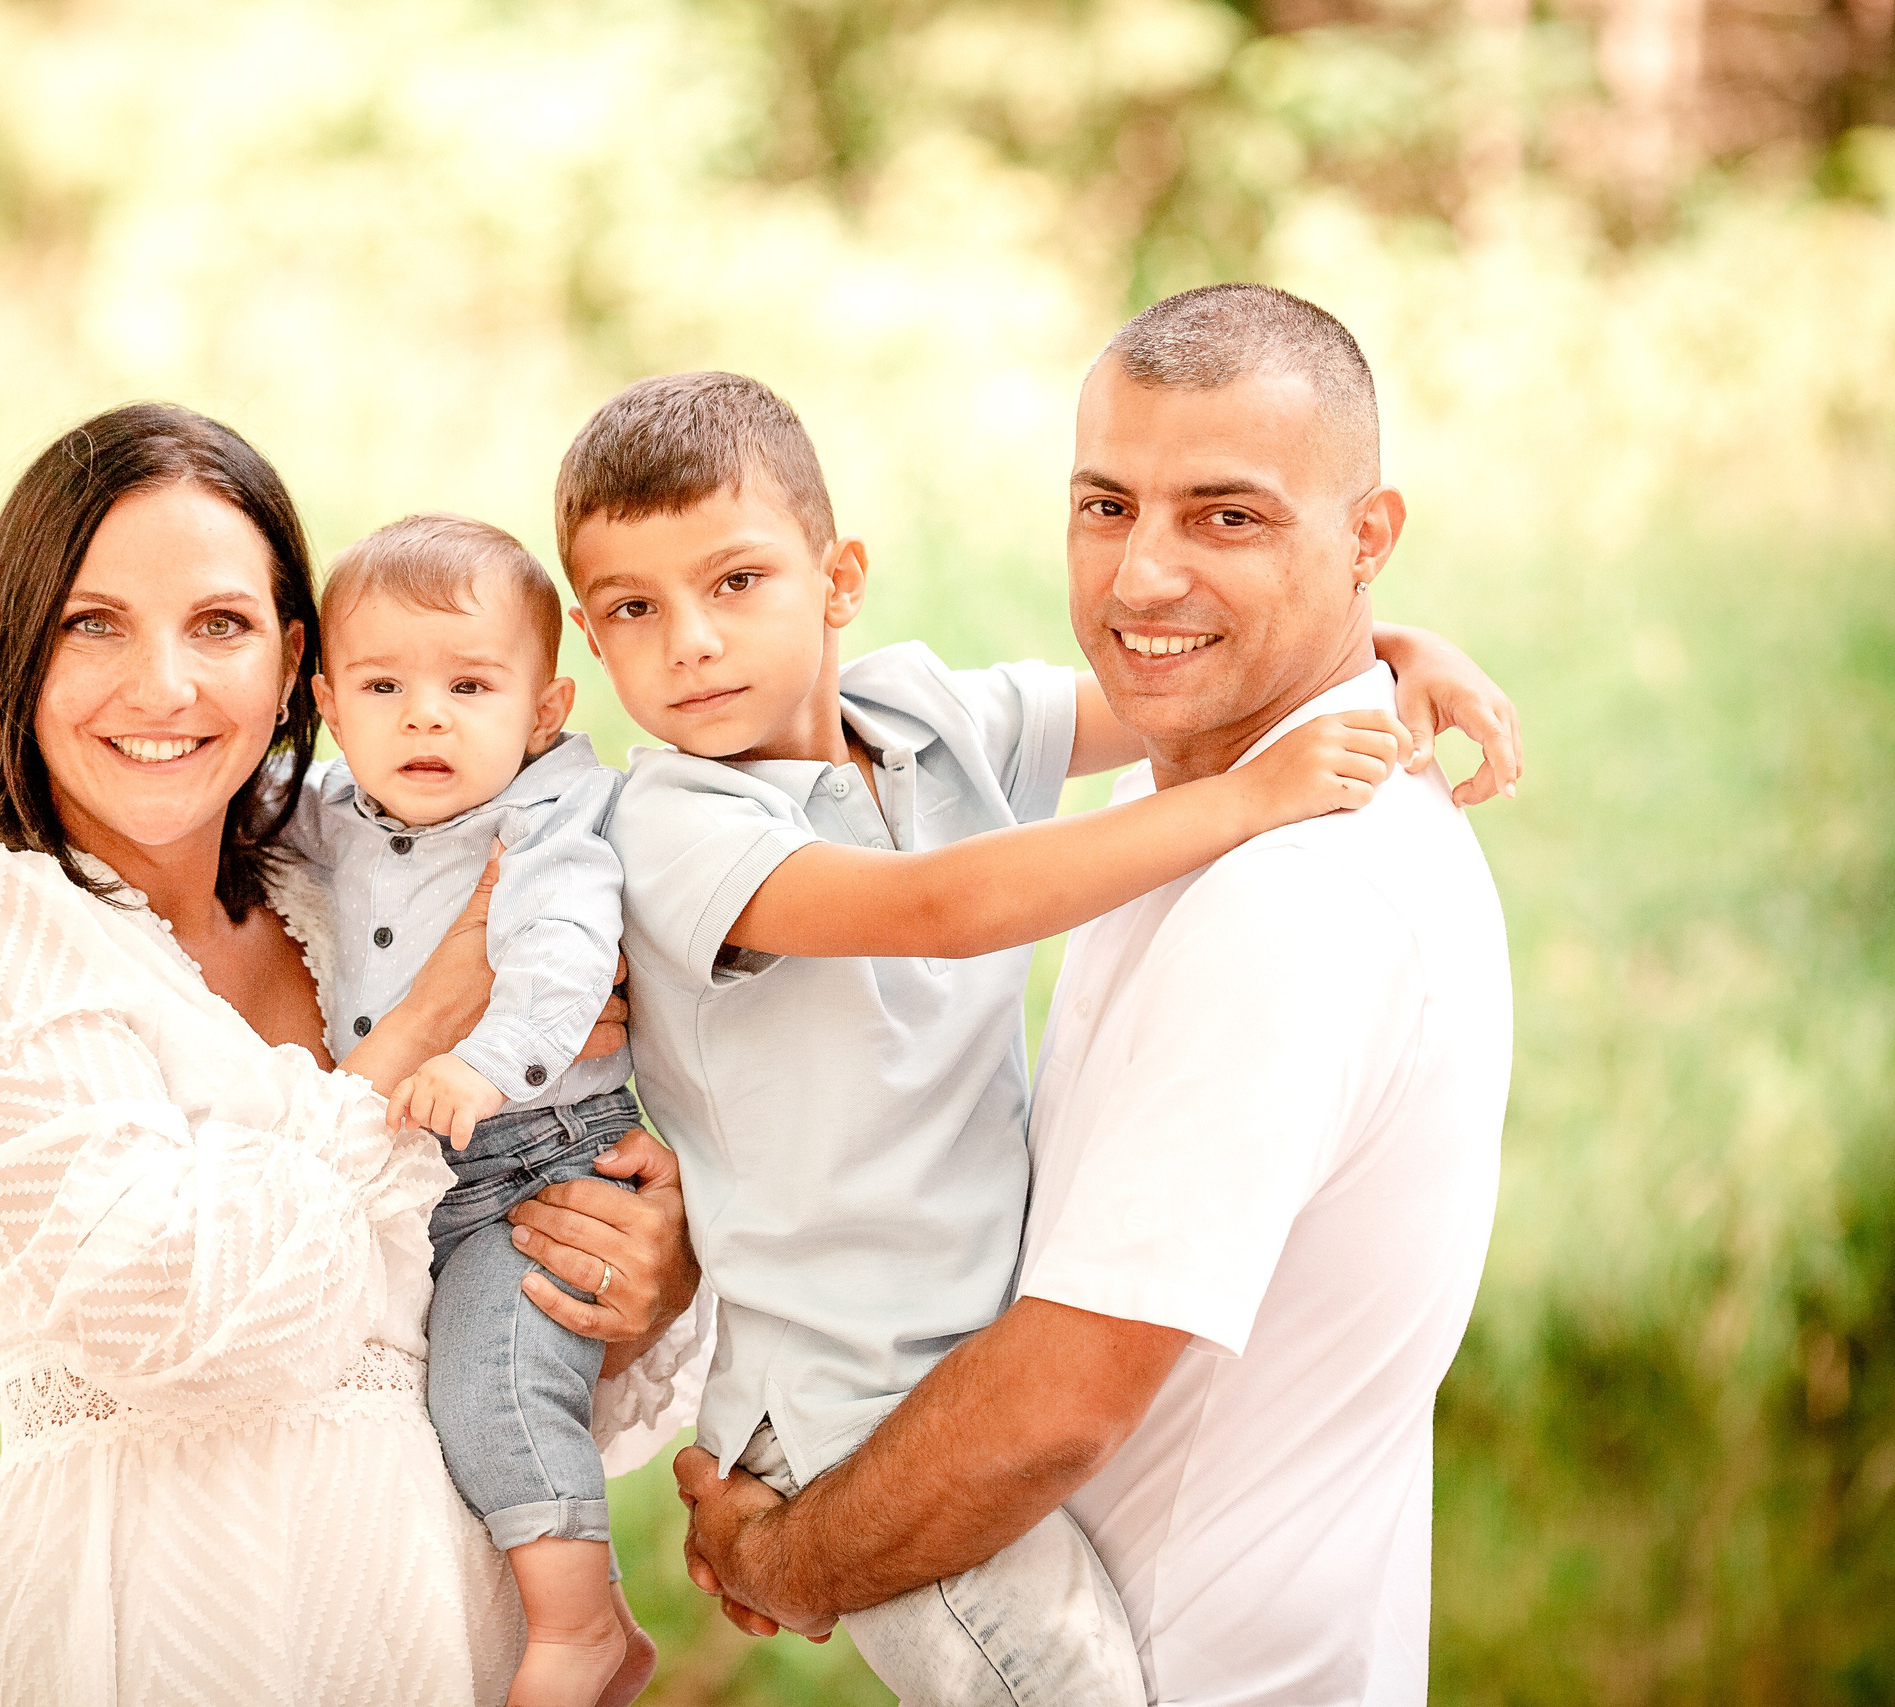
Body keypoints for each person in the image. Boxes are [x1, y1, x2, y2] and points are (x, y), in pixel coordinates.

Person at [554, 367, 1518, 1703]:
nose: (691, 644)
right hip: (846, 1397)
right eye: (631, 610)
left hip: (960, 1365)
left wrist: (1398, 645)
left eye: (734, 584)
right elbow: (940, 907)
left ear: (838, 579)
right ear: (589, 642)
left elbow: (1186, 683)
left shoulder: (924, 715)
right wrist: (1241, 802)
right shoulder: (673, 825)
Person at [0, 403, 705, 1707]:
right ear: (18, 648)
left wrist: (646, 1269)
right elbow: (181, 1312)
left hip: (444, 1625)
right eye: (95, 623)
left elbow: (457, 1346)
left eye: (221, 624)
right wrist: (418, 1033)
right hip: (159, 1626)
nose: (165, 685)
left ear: (300, 660)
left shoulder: (355, 869)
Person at [292, 513, 644, 1707]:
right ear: (329, 704)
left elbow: (562, 960)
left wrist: (486, 1061)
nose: (424, 716)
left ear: (542, 710)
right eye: (384, 685)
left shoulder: (546, 822)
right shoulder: (329, 809)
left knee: (491, 1381)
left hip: (539, 1160)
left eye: (468, 685)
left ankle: (579, 1625)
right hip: (426, 1171)